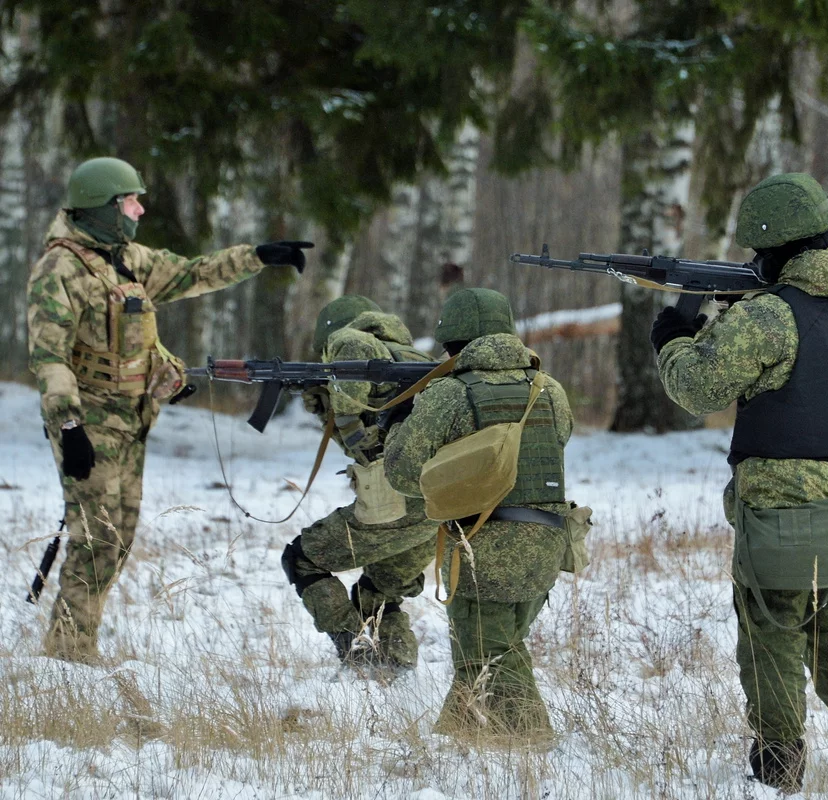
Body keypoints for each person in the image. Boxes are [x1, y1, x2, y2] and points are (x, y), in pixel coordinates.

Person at [653, 173, 828, 792]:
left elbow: (697, 388)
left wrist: (674, 341)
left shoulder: (770, 318)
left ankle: (778, 764)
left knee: (771, 634)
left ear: (774, 248)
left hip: (775, 506)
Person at [27, 156, 309, 664]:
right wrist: (68, 427)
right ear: (103, 208)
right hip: (87, 423)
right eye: (129, 200)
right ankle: (69, 653)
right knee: (96, 538)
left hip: (132, 421)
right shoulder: (59, 271)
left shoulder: (127, 259)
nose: (139, 209)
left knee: (119, 538)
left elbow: (191, 274)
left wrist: (258, 257)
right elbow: (49, 360)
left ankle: (73, 641)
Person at [384, 288, 580, 744]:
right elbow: (557, 442)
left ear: (451, 341)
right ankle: (456, 737)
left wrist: (397, 424)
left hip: (483, 546)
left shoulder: (449, 394)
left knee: (489, 654)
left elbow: (403, 472)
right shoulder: (548, 389)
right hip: (548, 544)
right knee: (488, 647)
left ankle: (532, 745)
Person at [281, 295, 438, 670]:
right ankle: (397, 672)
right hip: (442, 502)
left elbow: (364, 441)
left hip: (398, 499)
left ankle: (360, 660)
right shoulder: (413, 360)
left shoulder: (351, 344)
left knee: (303, 560)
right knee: (380, 592)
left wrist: (336, 411)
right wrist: (323, 401)